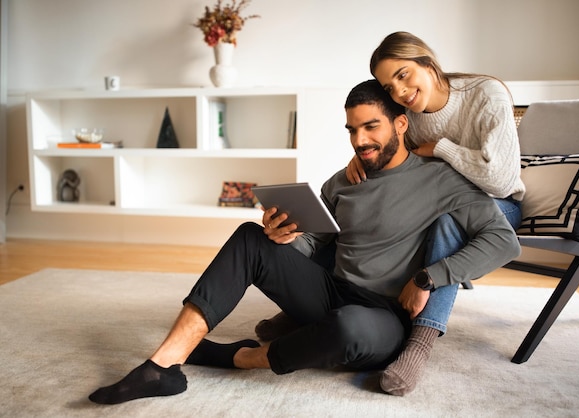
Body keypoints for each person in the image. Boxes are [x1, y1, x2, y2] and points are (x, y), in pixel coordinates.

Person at [88, 79, 521, 405]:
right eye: (352, 129)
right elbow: (313, 246)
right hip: (328, 291)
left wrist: (430, 277)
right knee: (250, 237)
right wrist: (284, 236)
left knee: (347, 329)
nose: (360, 141)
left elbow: (503, 241)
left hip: (383, 317)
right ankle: (163, 365)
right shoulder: (344, 180)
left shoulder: (440, 179)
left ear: (401, 124)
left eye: (371, 127)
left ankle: (239, 358)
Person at [256, 32, 527, 396]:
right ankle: (317, 304)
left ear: (427, 63)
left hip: (498, 202)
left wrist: (443, 149)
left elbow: (502, 177)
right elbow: (391, 147)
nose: (399, 92)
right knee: (357, 207)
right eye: (389, 85)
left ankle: (420, 340)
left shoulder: (485, 94)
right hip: (444, 194)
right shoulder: (410, 113)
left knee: (444, 224)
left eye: (403, 75)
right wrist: (363, 154)